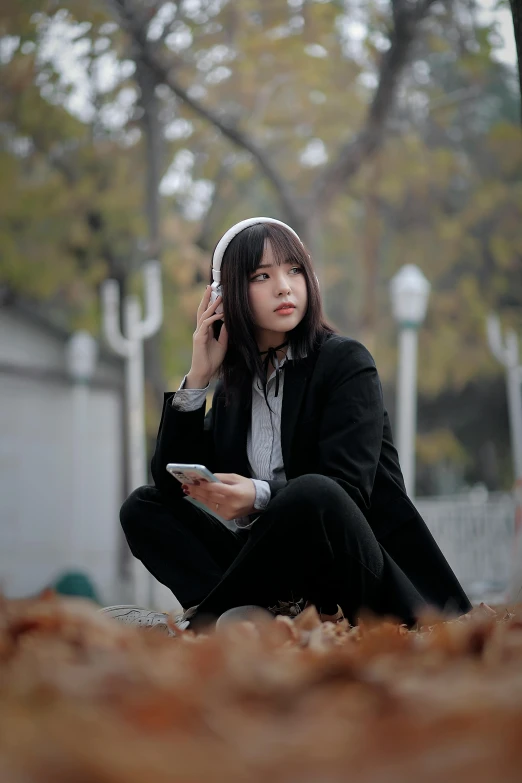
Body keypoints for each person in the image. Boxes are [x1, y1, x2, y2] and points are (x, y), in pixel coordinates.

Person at [103, 217, 471, 634]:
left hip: (357, 572)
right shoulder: (233, 391)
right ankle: (251, 617)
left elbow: (343, 493)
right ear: (226, 297)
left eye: (294, 270)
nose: (285, 286)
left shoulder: (346, 363)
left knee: (312, 492)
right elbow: (171, 485)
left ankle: (203, 626)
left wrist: (256, 497)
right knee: (142, 507)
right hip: (280, 581)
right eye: (262, 275)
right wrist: (199, 377)